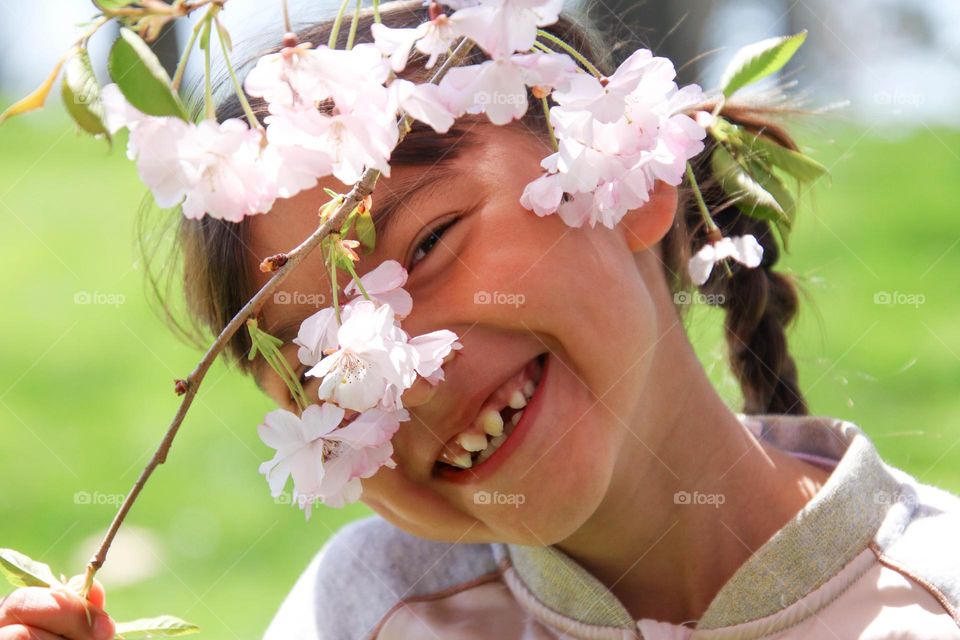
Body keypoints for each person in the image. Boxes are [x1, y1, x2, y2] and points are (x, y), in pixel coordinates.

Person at [3, 2, 958, 638]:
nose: (398, 375)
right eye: (319, 372)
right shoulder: (365, 615)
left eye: (428, 244)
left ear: (621, 172)